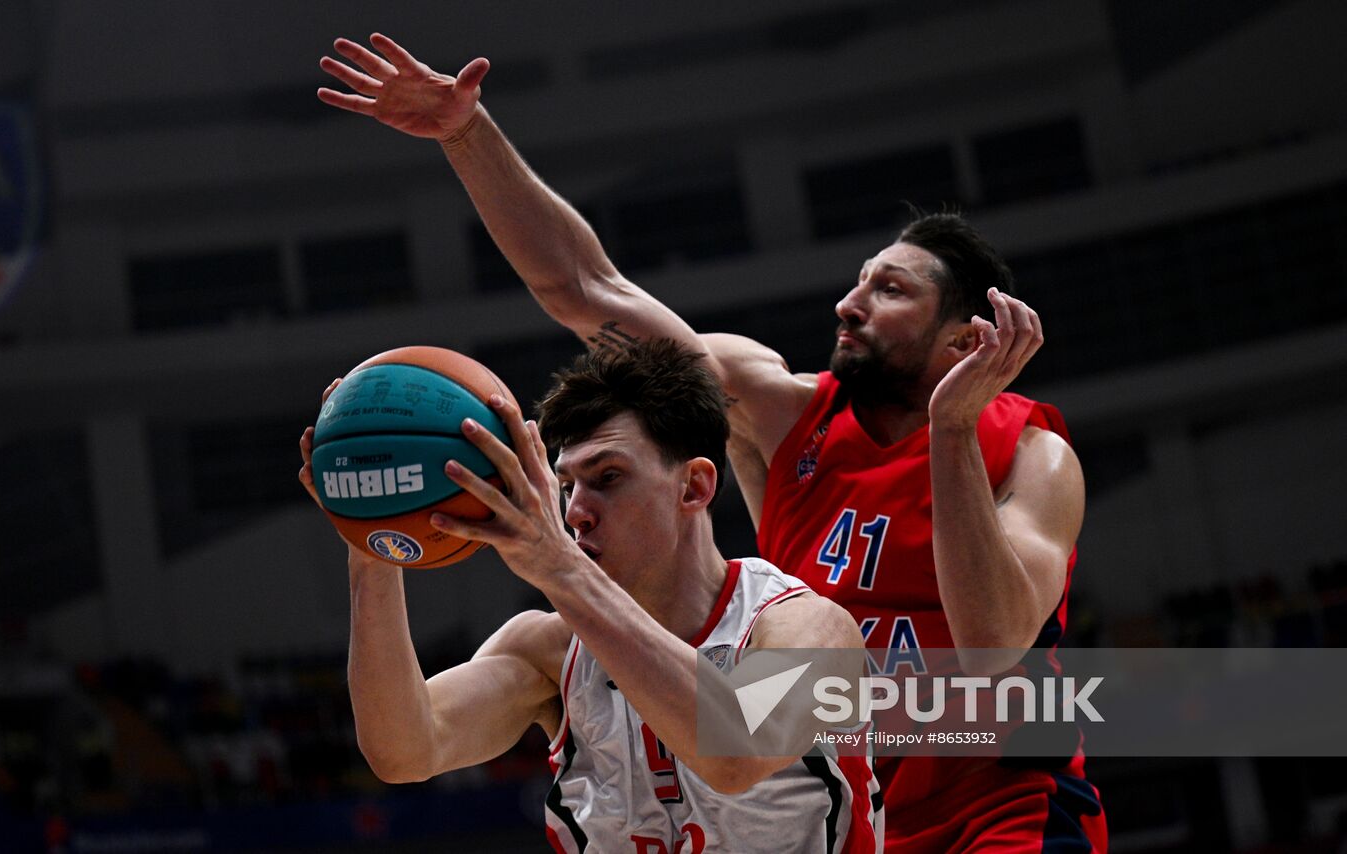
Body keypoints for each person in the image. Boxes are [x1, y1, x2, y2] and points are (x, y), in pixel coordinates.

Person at [317, 32, 1108, 852]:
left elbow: (986, 651)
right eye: (860, 278)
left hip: (994, 797)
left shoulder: (1030, 455)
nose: (849, 302)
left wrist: (950, 428)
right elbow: (588, 288)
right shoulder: (776, 409)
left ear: (962, 340)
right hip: (837, 787)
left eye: (891, 288)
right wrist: (464, 132)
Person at [298, 340, 878, 852]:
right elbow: (404, 750)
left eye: (608, 478)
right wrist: (371, 546)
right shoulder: (547, 652)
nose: (575, 512)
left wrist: (560, 570)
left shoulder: (809, 630)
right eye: (568, 485)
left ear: (695, 486)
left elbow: (737, 752)